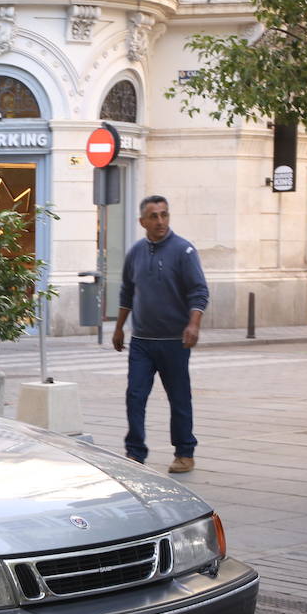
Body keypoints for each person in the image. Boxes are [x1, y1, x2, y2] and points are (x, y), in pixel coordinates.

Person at [111, 195, 209, 474]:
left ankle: (184, 452)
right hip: (142, 340)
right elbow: (127, 291)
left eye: (164, 215)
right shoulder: (136, 252)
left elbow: (199, 291)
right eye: (154, 216)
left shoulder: (183, 251)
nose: (160, 221)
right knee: (135, 395)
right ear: (142, 221)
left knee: (179, 397)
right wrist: (119, 327)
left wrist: (194, 324)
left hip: (174, 341)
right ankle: (135, 452)